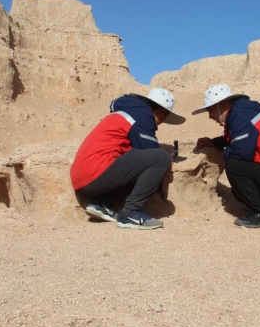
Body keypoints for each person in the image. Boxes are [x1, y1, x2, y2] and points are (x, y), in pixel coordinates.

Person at [70, 88, 185, 229]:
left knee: (133, 160)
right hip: (95, 172)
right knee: (161, 157)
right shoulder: (142, 115)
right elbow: (150, 151)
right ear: (162, 112)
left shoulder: (127, 112)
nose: (159, 124)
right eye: (164, 118)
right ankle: (131, 212)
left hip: (83, 176)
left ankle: (101, 203)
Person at [194, 84, 260, 229]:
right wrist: (215, 143)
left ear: (222, 105)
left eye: (211, 110)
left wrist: (222, 154)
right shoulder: (242, 114)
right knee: (239, 192)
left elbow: (242, 152)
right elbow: (237, 138)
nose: (210, 116)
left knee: (234, 165)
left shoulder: (239, 115)